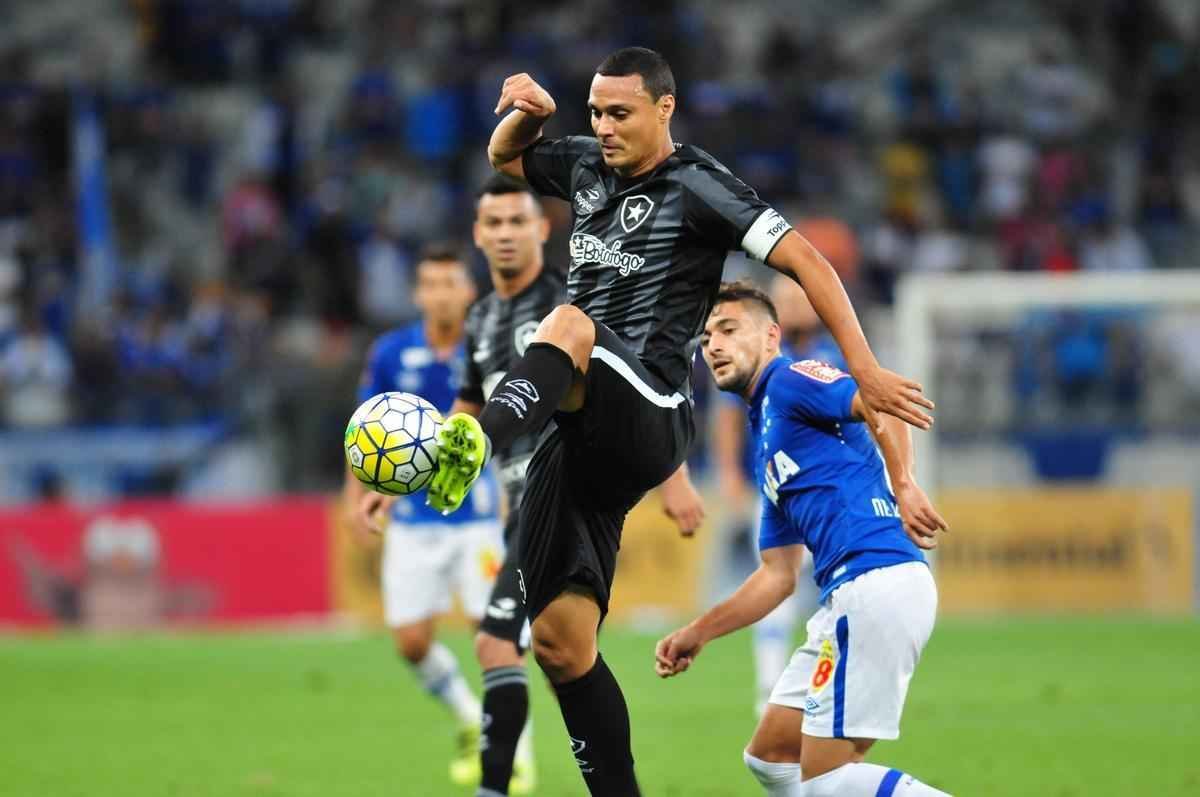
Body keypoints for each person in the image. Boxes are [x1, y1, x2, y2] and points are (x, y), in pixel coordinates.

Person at [427, 47, 933, 795]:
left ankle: (473, 439)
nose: (602, 127)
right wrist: (528, 118)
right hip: (578, 432)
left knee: (568, 321)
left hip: (652, 405)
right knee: (561, 644)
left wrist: (863, 366)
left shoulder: (700, 185)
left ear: (664, 109)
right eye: (594, 112)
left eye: (619, 113)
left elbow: (809, 264)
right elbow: (507, 160)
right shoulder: (587, 167)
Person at [655, 282, 950, 796]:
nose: (714, 346)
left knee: (826, 778)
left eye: (728, 329)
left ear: (771, 336)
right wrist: (696, 633)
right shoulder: (768, 434)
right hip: (847, 599)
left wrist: (904, 483)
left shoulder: (790, 379)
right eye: (705, 339)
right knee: (770, 758)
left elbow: (882, 397)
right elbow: (776, 576)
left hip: (875, 581)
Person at [341, 244, 503, 788]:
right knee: (410, 642)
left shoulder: (487, 347)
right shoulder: (390, 352)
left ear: (468, 291)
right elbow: (364, 434)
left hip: (476, 518)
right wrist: (355, 497)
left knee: (496, 638)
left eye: (449, 283)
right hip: (411, 522)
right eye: (429, 284)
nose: (439, 293)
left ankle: (509, 743)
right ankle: (467, 716)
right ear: (417, 294)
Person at [710, 275, 845, 716]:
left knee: (819, 585)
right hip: (773, 490)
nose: (795, 306)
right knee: (776, 580)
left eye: (799, 298)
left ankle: (814, 680)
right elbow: (729, 419)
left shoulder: (831, 356)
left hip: (827, 497)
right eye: (785, 299)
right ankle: (770, 685)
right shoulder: (762, 362)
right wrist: (730, 474)